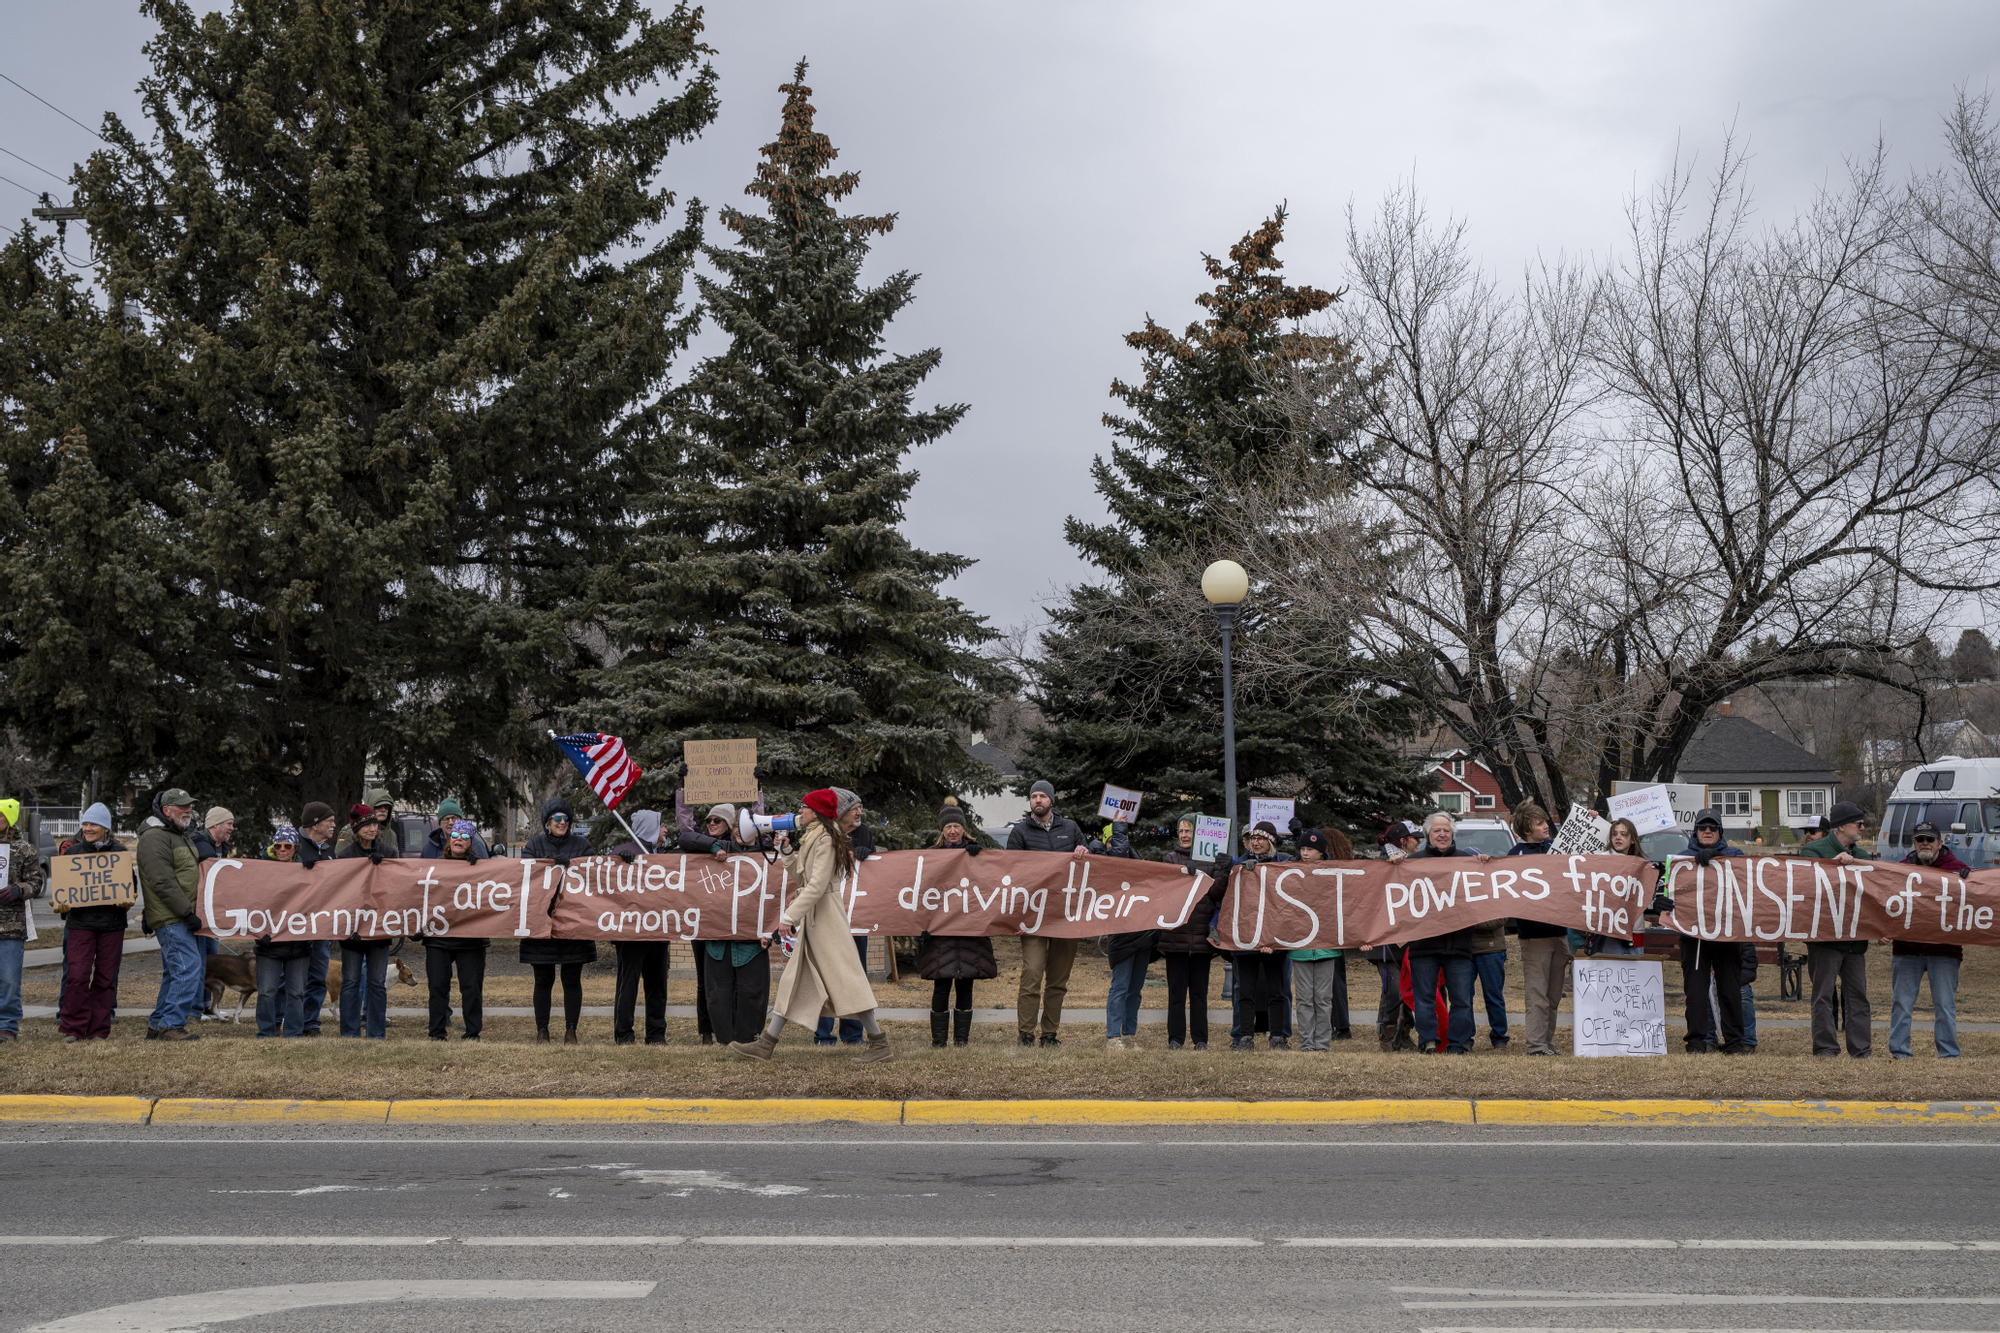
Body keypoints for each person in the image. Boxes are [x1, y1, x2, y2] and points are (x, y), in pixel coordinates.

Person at [728, 788, 893, 1065]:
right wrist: (788, 852)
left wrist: (788, 917)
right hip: (817, 920)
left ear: (816, 812)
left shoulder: (826, 839)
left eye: (804, 808)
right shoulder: (816, 837)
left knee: (848, 981)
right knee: (794, 982)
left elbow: (816, 887)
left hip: (826, 918)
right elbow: (802, 878)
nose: (799, 812)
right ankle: (767, 1044)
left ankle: (880, 1044)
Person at [1385, 812, 1492, 1054]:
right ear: (1428, 835)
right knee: (1425, 998)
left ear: (1452, 834)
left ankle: (1459, 1044)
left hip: (1459, 944)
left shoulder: (1468, 861)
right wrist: (1394, 868)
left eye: (1446, 830)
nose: (1442, 834)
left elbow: (1484, 892)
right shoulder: (1413, 862)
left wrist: (1484, 866)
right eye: (1437, 830)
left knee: (1462, 999)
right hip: (1423, 945)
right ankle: (1429, 1042)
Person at [1006, 779, 1088, 1048]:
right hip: (1032, 918)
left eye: (1042, 796)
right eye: (1034, 796)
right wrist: (1016, 917)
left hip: (1066, 917)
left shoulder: (1071, 829)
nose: (1037, 800)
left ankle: (1049, 1034)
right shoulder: (1019, 833)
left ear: (1052, 800)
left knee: (1058, 980)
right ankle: (1026, 1033)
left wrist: (1085, 851)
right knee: (1032, 974)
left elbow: (1091, 863)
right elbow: (1011, 876)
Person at [520, 796, 598, 1044]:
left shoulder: (582, 845)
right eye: (557, 818)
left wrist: (572, 865)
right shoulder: (534, 845)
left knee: (572, 980)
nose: (562, 822)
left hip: (575, 923)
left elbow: (593, 875)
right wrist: (551, 866)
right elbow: (525, 875)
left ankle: (571, 1030)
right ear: (547, 822)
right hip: (541, 923)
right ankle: (542, 1030)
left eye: (566, 818)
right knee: (543, 980)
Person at [1798, 800, 1873, 1058]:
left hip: (1855, 939)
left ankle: (1861, 1050)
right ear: (1841, 827)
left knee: (1858, 997)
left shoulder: (1863, 858)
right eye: (1858, 823)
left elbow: (1875, 895)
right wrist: (1832, 864)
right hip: (1824, 938)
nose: (1863, 827)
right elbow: (1805, 882)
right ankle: (1826, 1048)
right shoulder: (1813, 851)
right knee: (1823, 996)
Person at [918, 802, 996, 1049]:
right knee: (941, 985)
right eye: (948, 826)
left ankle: (962, 1040)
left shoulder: (976, 853)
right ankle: (938, 1041)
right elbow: (922, 892)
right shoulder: (931, 856)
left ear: (964, 828)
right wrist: (922, 926)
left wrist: (978, 856)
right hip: (940, 932)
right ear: (942, 830)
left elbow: (989, 884)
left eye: (957, 826)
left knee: (965, 985)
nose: (953, 831)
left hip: (969, 931)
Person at [1674, 809, 1749, 1054]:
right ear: (1695, 831)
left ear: (1720, 832)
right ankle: (1696, 1041)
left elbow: (1745, 884)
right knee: (1695, 991)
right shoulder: (1681, 859)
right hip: (1694, 935)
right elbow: (1670, 892)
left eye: (1712, 827)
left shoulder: (1735, 855)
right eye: (1702, 827)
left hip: (1727, 933)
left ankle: (1734, 1042)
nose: (1707, 831)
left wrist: (1716, 857)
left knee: (1729, 990)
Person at [1891, 819, 1965, 1059]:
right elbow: (1885, 903)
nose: (1925, 843)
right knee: (1901, 1004)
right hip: (1906, 949)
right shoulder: (1898, 870)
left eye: (1929, 839)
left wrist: (1968, 879)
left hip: (1944, 950)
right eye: (1919, 839)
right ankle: (1900, 1051)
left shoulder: (1958, 869)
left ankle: (1948, 1053)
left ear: (1940, 843)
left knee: (1944, 1005)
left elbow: (1975, 901)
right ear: (1913, 843)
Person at [136, 788, 205, 1042]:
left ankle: (157, 1025)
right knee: (189, 968)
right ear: (166, 810)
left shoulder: (179, 835)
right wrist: (187, 913)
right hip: (173, 916)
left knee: (176, 971)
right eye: (181, 806)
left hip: (180, 915)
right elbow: (162, 881)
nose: (188, 809)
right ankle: (171, 1025)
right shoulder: (155, 837)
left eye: (189, 805)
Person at [56, 804, 127, 1043]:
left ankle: (98, 1030)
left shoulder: (120, 854)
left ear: (105, 827)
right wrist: (61, 904)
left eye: (93, 824)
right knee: (76, 975)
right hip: (80, 924)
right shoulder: (72, 853)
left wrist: (127, 899)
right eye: (85, 824)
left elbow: (130, 889)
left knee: (106, 979)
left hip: (112, 925)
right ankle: (73, 1028)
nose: (87, 828)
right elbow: (62, 892)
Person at [1157, 815, 1224, 1051]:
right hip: (1175, 939)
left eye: (1189, 831)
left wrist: (1223, 872)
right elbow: (1165, 891)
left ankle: (1200, 1040)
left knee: (1199, 994)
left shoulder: (1212, 860)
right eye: (1181, 831)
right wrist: (1182, 874)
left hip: (1200, 940)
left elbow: (1217, 893)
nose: (1184, 835)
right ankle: (1175, 1039)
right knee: (1176, 993)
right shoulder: (1171, 858)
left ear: (1199, 834)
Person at [1226, 821, 1293, 1051]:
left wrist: (1273, 940)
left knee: (1277, 991)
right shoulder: (1240, 864)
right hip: (1246, 938)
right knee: (1246, 991)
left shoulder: (1283, 866)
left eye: (1261, 838)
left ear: (1271, 841)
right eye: (1253, 838)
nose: (1256, 842)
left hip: (1275, 939)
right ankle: (1245, 1037)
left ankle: (1277, 1037)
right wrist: (1235, 867)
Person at [1509, 802, 1569, 1055]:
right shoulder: (1514, 856)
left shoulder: (1556, 850)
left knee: (1554, 996)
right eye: (1539, 823)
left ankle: (1548, 1043)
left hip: (1561, 933)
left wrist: (1592, 820)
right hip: (1534, 937)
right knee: (1537, 995)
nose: (1546, 825)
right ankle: (1535, 1045)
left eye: (1545, 821)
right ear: (1526, 829)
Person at [423, 819, 489, 1040]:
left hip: (470, 938)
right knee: (437, 988)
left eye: (464, 836)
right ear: (448, 840)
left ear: (471, 842)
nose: (458, 839)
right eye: (455, 835)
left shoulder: (483, 869)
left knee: (471, 988)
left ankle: (472, 1033)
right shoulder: (434, 867)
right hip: (438, 938)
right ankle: (437, 1032)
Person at [610, 809, 671, 1046]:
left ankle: (656, 1034)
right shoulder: (623, 853)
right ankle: (624, 1033)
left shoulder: (664, 857)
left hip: (658, 931)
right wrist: (619, 863)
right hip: (631, 934)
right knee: (628, 985)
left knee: (657, 987)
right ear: (650, 828)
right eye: (662, 825)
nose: (666, 830)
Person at [1363, 820, 1423, 1051]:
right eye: (1415, 838)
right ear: (1403, 841)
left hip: (1409, 937)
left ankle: (1403, 1032)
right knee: (1392, 987)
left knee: (1408, 988)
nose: (1419, 843)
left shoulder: (1416, 863)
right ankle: (1387, 1032)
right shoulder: (1380, 865)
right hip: (1385, 942)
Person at [335, 805, 395, 1039]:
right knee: (350, 981)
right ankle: (349, 1033)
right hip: (352, 931)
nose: (372, 828)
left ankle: (376, 1033)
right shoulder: (345, 857)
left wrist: (385, 868)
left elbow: (396, 889)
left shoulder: (388, 853)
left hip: (380, 929)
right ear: (356, 829)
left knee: (377, 982)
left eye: (374, 824)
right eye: (366, 825)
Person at [1290, 828, 1348, 1051]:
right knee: (1304, 1000)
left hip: (1327, 947)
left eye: (1311, 850)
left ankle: (1322, 1045)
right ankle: (1306, 1044)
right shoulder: (1290, 874)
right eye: (1303, 849)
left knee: (1323, 999)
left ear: (1322, 853)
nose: (1305, 853)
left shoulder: (1336, 873)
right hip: (1300, 947)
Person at [0, 797, 46, 1043]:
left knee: (8, 978)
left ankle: (7, 1026)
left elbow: (37, 884)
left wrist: (19, 890)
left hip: (11, 926)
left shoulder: (25, 849)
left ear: (10, 820)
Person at [291, 801, 338, 1036]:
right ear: (315, 823)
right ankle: (290, 1021)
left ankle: (310, 1023)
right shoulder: (293, 846)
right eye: (330, 821)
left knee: (318, 976)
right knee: (293, 980)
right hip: (295, 926)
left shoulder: (329, 852)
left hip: (322, 926)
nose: (334, 825)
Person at [336, 788, 402, 858]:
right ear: (370, 807)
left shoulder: (391, 834)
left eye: (386, 807)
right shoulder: (349, 831)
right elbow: (341, 863)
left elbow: (395, 863)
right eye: (378, 806)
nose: (383, 810)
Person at [422, 800, 490, 859]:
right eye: (446, 819)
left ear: (460, 820)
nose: (451, 822)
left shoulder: (477, 846)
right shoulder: (428, 849)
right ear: (440, 823)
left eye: (454, 818)